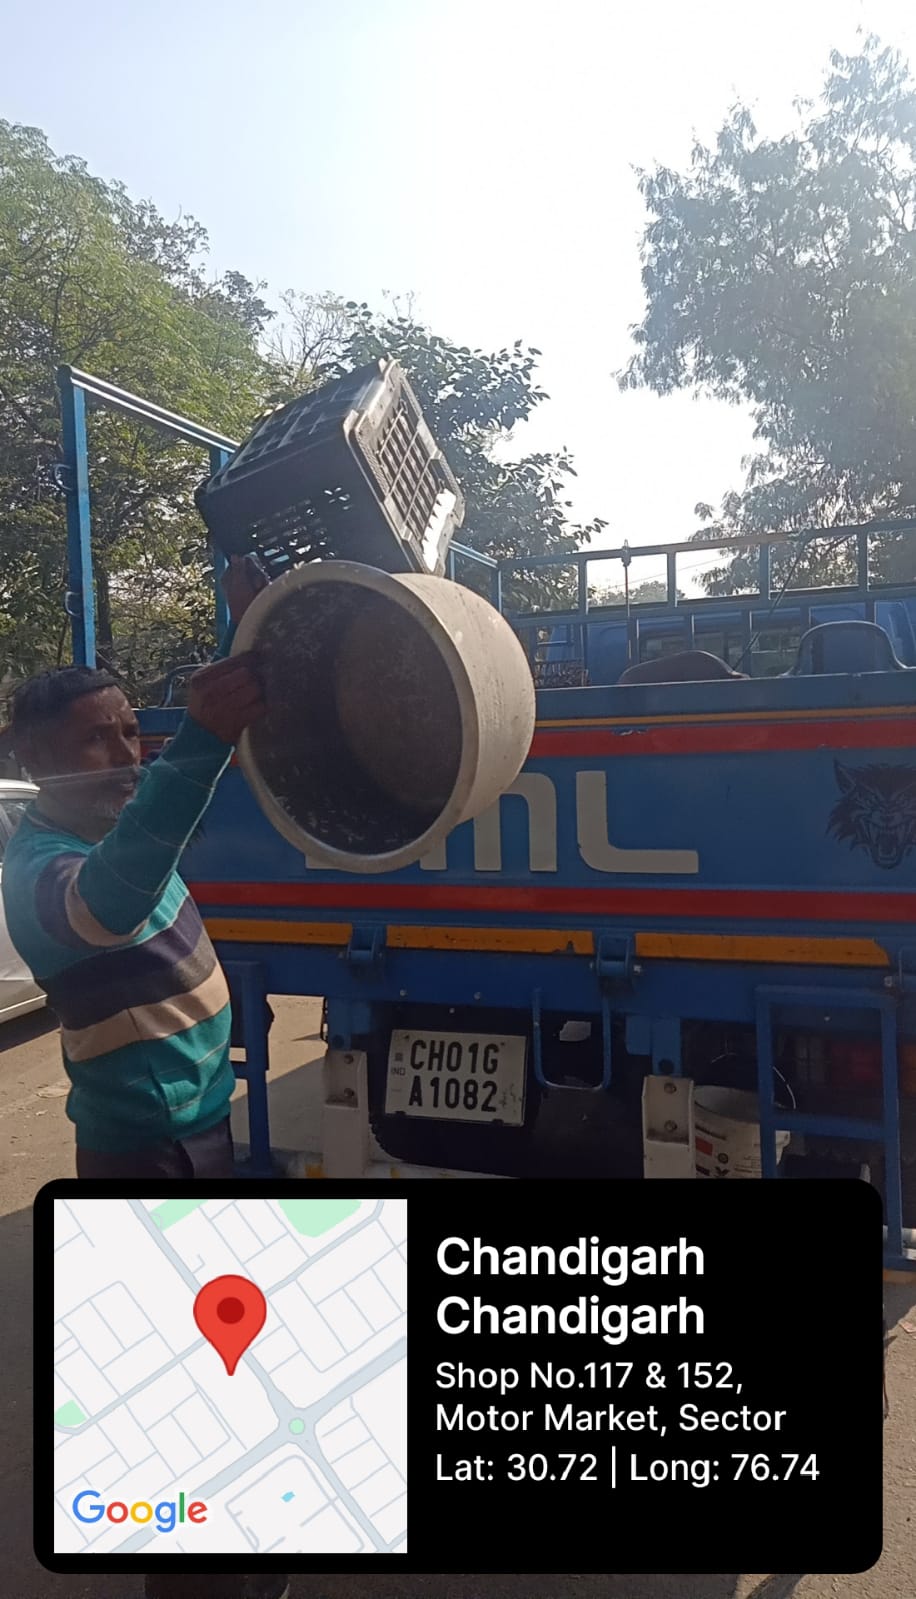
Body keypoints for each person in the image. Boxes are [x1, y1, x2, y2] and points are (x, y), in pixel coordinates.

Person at [3, 559, 289, 1599]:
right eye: (98, 738)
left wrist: (260, 631)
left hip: (202, 1133)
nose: (127, 752)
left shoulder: (125, 830)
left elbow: (171, 808)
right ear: (33, 761)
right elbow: (110, 902)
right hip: (144, 1153)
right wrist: (198, 739)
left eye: (133, 730)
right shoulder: (43, 874)